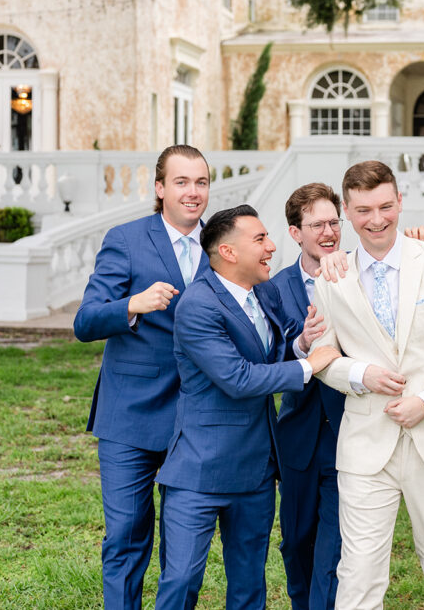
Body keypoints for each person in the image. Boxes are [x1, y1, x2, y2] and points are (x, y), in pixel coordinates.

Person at [311, 160, 424, 609]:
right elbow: (322, 359)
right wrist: (361, 375)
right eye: (363, 210)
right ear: (347, 214)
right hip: (366, 445)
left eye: (385, 206)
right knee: (358, 572)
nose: (376, 220)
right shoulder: (330, 277)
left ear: (400, 202)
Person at [154, 204, 340, 609]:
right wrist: (310, 366)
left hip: (256, 469)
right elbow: (238, 379)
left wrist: (299, 345)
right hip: (199, 470)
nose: (272, 246)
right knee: (181, 579)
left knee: (249, 585)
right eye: (260, 239)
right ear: (229, 252)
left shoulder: (264, 291)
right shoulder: (197, 305)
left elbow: (265, 358)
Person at [74, 144, 210, 609]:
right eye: (182, 182)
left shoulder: (223, 244)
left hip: (195, 421)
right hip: (129, 416)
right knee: (127, 537)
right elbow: (86, 321)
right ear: (159, 188)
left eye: (201, 182)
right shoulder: (127, 239)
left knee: (185, 552)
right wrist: (132, 304)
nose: (193, 192)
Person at [263, 183, 345, 609]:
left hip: (350, 434)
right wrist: (300, 346)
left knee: (333, 552)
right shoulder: (273, 288)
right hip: (297, 436)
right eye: (317, 225)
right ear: (296, 233)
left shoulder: (360, 276)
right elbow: (268, 359)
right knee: (296, 544)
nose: (329, 232)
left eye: (334, 222)